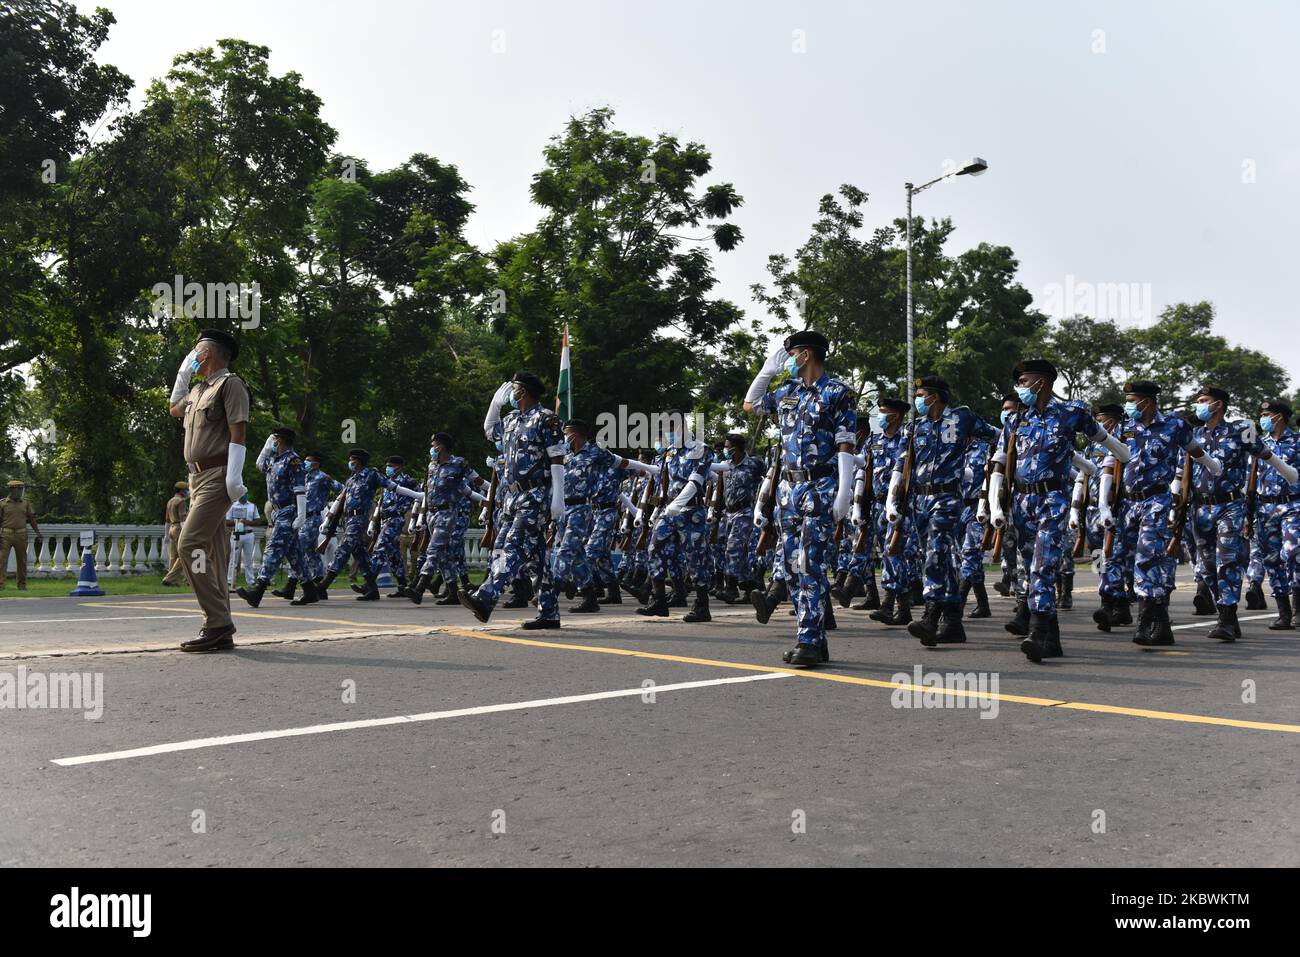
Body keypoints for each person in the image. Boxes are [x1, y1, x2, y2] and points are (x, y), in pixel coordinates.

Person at [987, 359, 1131, 660]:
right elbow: (1002, 458)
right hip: (1022, 500)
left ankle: (1039, 633)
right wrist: (995, 502)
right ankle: (1050, 637)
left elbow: (1101, 438)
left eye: (1025, 382)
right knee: (1030, 566)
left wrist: (1123, 454)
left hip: (1053, 499)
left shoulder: (1071, 412)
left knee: (1043, 564)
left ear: (1042, 383)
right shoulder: (1016, 420)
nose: (1020, 388)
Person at [744, 331, 857, 667]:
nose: (788, 360)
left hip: (820, 486)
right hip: (788, 489)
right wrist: (766, 371)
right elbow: (750, 405)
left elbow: (846, 443)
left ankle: (808, 639)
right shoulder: (787, 393)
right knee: (792, 567)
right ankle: (815, 639)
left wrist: (845, 490)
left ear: (806, 355)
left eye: (791, 354)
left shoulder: (839, 393)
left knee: (809, 563)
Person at [1098, 380, 1223, 647]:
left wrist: (1213, 466)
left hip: (1157, 499)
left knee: (1147, 557)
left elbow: (1194, 451)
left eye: (1133, 401)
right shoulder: (1125, 427)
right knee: (1118, 556)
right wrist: (1105, 504)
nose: (1129, 406)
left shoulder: (1174, 425)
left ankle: (1151, 622)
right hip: (1128, 502)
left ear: (1148, 401)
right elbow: (1110, 462)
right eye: (1128, 401)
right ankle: (1149, 619)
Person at [888, 375, 999, 648]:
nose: (918, 400)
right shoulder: (915, 428)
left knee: (936, 552)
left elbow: (1000, 436)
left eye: (921, 394)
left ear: (934, 397)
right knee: (944, 560)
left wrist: (997, 474)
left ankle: (931, 614)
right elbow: (902, 465)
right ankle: (953, 623)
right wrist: (894, 498)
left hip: (948, 497)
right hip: (920, 500)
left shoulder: (962, 418)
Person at [1186, 386, 1296, 641]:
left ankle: (1225, 616)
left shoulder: (1239, 431)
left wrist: (1288, 473)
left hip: (1230, 506)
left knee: (1229, 561)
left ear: (1219, 405)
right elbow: (1184, 471)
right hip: (1200, 506)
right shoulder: (1194, 435)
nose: (1199, 405)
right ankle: (1229, 617)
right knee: (1207, 567)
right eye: (1198, 400)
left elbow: (1264, 454)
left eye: (1204, 401)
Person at [460, 372, 566, 629]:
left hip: (536, 495)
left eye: (514, 388)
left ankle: (486, 597)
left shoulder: (546, 419)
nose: (510, 392)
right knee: (533, 556)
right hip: (512, 496)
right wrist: (494, 405)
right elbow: (489, 432)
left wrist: (558, 498)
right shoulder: (510, 420)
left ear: (524, 392)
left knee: (514, 546)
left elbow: (557, 458)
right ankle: (549, 612)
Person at [167, 328, 250, 653]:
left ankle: (217, 622)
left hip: (218, 477)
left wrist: (233, 479)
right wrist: (182, 373)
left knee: (189, 544)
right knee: (215, 554)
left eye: (195, 352)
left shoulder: (231, 385)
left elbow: (238, 432)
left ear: (210, 353)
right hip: (196, 481)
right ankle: (222, 629)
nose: (192, 356)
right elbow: (175, 407)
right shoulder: (199, 390)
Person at [317, 448, 424, 600]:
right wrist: (328, 519)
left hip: (365, 519)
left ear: (359, 461)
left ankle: (322, 585)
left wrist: (418, 497)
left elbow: (396, 488)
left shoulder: (372, 475)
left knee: (346, 548)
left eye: (352, 460)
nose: (350, 462)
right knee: (365, 555)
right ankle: (376, 589)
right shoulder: (351, 479)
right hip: (352, 519)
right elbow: (341, 500)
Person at [237, 427, 310, 607]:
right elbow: (258, 464)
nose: (272, 442)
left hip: (289, 510)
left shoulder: (293, 461)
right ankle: (310, 590)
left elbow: (300, 489)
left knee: (274, 548)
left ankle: (258, 591)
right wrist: (265, 448)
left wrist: (301, 515)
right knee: (294, 554)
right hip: (278, 512)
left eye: (274, 439)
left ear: (282, 440)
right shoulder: (274, 460)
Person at [408, 433, 482, 605]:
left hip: (447, 513)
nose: (432, 449)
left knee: (433, 550)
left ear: (441, 447)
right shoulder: (432, 466)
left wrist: (491, 495)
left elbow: (476, 481)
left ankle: (419, 587)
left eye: (434, 445)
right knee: (445, 555)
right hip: (431, 514)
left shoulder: (458, 463)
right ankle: (453, 592)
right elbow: (427, 492)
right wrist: (422, 516)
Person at [1254, 400, 1300, 630]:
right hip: (1265, 508)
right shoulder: (1258, 444)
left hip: (1293, 505)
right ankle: (1284, 611)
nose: (1262, 418)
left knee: (1293, 552)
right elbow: (1249, 479)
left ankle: (1298, 606)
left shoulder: (1298, 442)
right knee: (1271, 560)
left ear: (1279, 417)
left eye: (1266, 414)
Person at [290, 452, 341, 604]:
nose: (304, 464)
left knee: (298, 546)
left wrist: (331, 480)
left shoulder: (322, 477)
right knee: (311, 552)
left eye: (308, 461)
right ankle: (320, 587)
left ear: (316, 464)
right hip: (302, 517)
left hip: (313, 518)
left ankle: (292, 584)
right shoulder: (304, 478)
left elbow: (341, 488)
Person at [367, 456, 421, 598]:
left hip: (396, 519)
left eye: (390, 465)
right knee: (393, 556)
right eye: (387, 465)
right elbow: (381, 503)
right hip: (385, 519)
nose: (388, 468)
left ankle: (369, 583)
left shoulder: (408, 481)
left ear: (399, 467)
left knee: (379, 548)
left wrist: (416, 516)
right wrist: (374, 522)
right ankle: (403, 586)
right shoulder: (387, 482)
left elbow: (422, 496)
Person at [0, 480, 42, 591]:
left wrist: (38, 533)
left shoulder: (26, 503)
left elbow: (32, 519)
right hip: (6, 535)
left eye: (21, 489)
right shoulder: (3, 503)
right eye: (18, 488)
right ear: (11, 489)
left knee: (22, 561)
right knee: (2, 561)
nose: (20, 491)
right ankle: (0, 585)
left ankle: (22, 585)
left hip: (21, 534)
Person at [225, 493, 262, 590]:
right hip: (236, 533)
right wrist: (237, 521)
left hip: (248, 533)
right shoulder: (232, 505)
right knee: (233, 559)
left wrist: (248, 522)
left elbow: (258, 521)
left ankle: (251, 581)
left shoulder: (252, 506)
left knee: (248, 559)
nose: (244, 496)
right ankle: (230, 581)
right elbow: (226, 522)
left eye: (245, 494)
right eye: (242, 494)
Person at [161, 481, 190, 586]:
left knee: (173, 556)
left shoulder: (170, 501)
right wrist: (185, 533)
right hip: (179, 528)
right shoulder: (181, 501)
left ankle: (173, 580)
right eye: (186, 490)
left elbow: (167, 520)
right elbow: (183, 519)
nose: (187, 492)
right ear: (181, 491)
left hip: (172, 529)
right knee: (184, 554)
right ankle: (171, 578)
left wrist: (166, 535)